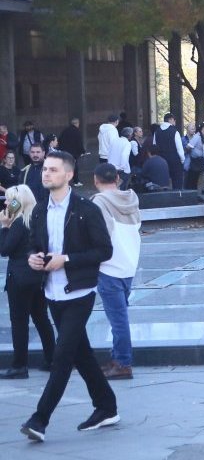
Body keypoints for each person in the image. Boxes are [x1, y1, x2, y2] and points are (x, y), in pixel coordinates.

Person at [19, 151, 119, 442]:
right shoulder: (39, 210)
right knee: (81, 353)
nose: (46, 173)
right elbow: (34, 244)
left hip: (79, 292)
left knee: (62, 356)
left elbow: (104, 251)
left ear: (69, 175)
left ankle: (39, 419)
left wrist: (66, 259)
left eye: (53, 169)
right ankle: (106, 405)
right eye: (44, 169)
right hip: (52, 293)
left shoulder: (86, 209)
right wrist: (33, 257)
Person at [91, 163, 142, 380]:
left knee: (118, 319)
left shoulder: (99, 202)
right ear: (117, 178)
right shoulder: (131, 199)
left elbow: (101, 235)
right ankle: (117, 358)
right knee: (120, 316)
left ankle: (122, 362)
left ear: (95, 180)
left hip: (109, 266)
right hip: (129, 264)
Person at [1, 185, 55, 379]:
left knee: (19, 321)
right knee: (41, 317)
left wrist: (4, 227)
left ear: (18, 202)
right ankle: (52, 359)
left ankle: (19, 365)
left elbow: (5, 249)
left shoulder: (18, 223)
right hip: (38, 275)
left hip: (19, 277)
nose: (7, 203)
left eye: (10, 200)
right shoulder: (38, 219)